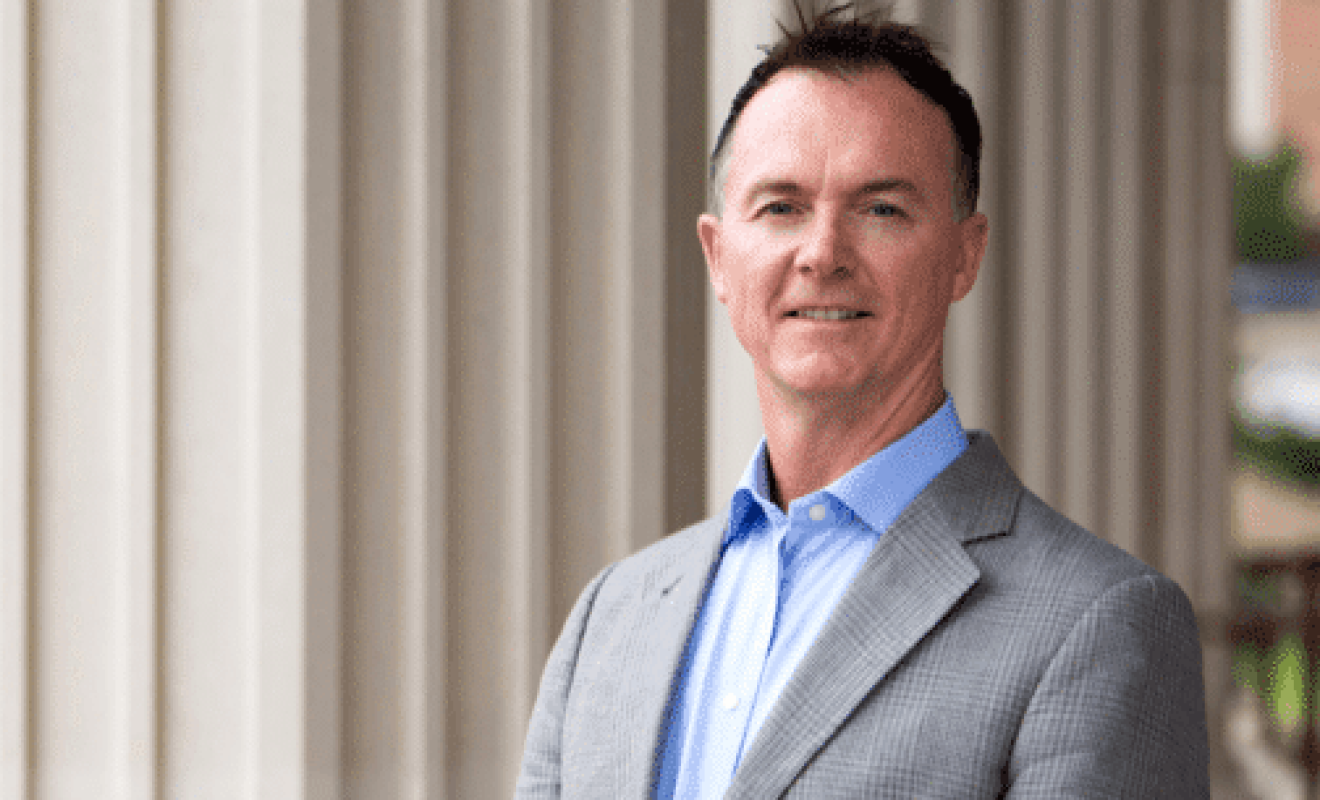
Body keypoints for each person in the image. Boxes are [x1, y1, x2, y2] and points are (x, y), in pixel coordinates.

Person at [514, 5, 1209, 798]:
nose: (822, 254)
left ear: (963, 255)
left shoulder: (1100, 623)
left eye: (881, 208)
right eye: (781, 206)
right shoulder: (612, 617)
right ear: (718, 256)